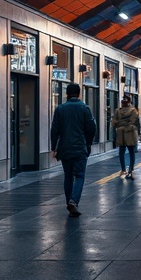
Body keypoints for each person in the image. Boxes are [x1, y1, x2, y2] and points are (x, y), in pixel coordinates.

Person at [50, 82, 97, 217]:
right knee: (80, 175)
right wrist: (88, 143)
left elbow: (55, 130)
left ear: (67, 94)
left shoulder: (60, 109)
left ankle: (69, 202)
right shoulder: (84, 108)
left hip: (65, 149)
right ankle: (73, 201)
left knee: (68, 176)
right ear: (79, 94)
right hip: (80, 147)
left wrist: (54, 147)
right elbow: (91, 128)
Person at [113, 94, 140, 179]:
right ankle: (131, 170)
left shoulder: (118, 111)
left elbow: (114, 122)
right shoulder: (133, 111)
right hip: (130, 133)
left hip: (121, 133)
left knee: (121, 152)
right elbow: (135, 122)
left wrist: (119, 126)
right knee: (131, 152)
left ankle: (123, 170)